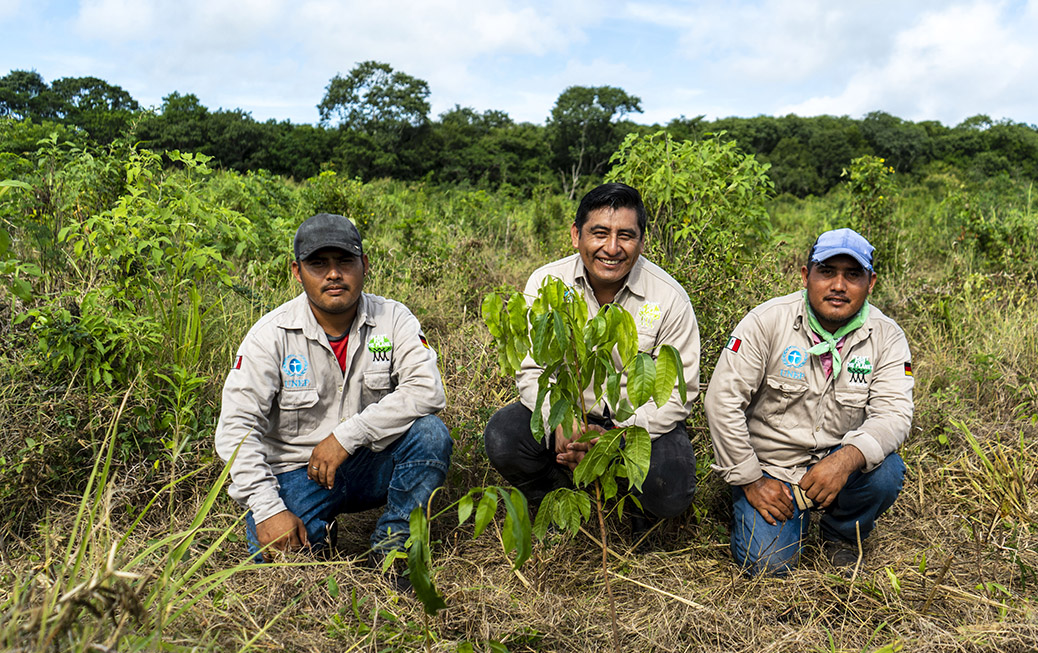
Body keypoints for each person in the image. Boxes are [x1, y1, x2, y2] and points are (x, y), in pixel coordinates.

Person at [215, 213, 453, 566]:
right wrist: (267, 510)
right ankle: (318, 528)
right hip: (299, 473)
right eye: (318, 264)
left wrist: (347, 436)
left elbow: (427, 390)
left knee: (430, 434)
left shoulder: (393, 319)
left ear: (365, 265)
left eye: (345, 261)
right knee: (280, 561)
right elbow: (237, 429)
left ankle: (394, 547)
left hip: (369, 462)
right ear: (296, 271)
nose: (333, 274)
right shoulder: (270, 336)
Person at [484, 183, 700, 538]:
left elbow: (678, 393)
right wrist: (559, 417)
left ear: (642, 242)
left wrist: (614, 438)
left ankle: (632, 508)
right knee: (504, 436)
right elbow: (532, 369)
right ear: (575, 235)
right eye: (600, 233)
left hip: (635, 424)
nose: (612, 248)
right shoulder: (545, 282)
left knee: (670, 485)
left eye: (625, 236)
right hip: (567, 418)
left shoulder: (670, 298)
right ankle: (558, 497)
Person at [704, 228, 912, 576]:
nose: (838, 286)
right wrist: (752, 481)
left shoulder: (887, 336)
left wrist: (845, 460)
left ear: (871, 282)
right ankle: (763, 512)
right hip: (771, 470)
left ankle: (841, 533)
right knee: (768, 566)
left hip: (839, 469)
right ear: (806, 275)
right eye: (827, 272)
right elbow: (722, 402)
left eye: (853, 275)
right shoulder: (766, 321)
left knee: (886, 473)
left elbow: (895, 414)